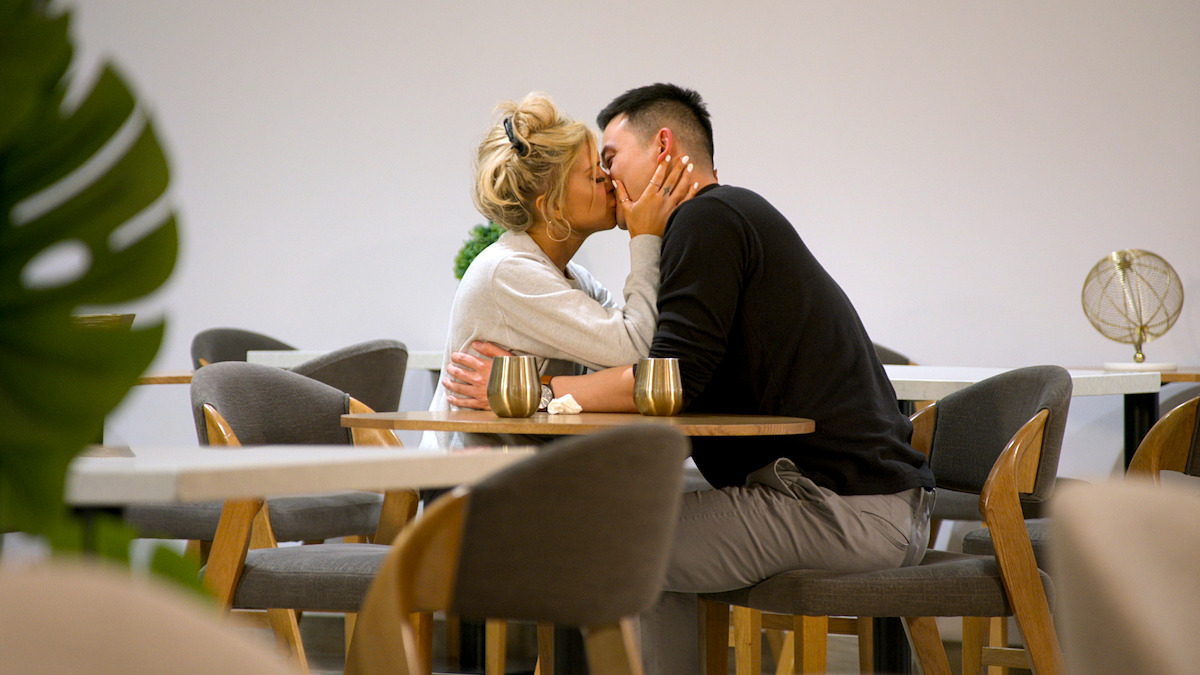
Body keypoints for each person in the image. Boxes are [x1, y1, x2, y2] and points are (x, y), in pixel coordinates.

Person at [444, 83, 937, 675]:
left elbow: (662, 378)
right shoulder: (719, 218)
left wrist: (539, 393)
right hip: (860, 502)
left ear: (662, 147)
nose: (607, 178)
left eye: (610, 159)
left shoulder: (708, 221)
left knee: (622, 546)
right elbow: (657, 364)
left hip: (843, 508)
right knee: (641, 525)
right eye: (596, 169)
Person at [424, 92, 697, 449]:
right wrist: (646, 236)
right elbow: (641, 355)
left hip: (528, 470)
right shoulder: (508, 271)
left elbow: (631, 366)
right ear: (551, 207)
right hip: (470, 479)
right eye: (594, 176)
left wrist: (538, 390)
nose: (610, 180)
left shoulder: (576, 280)